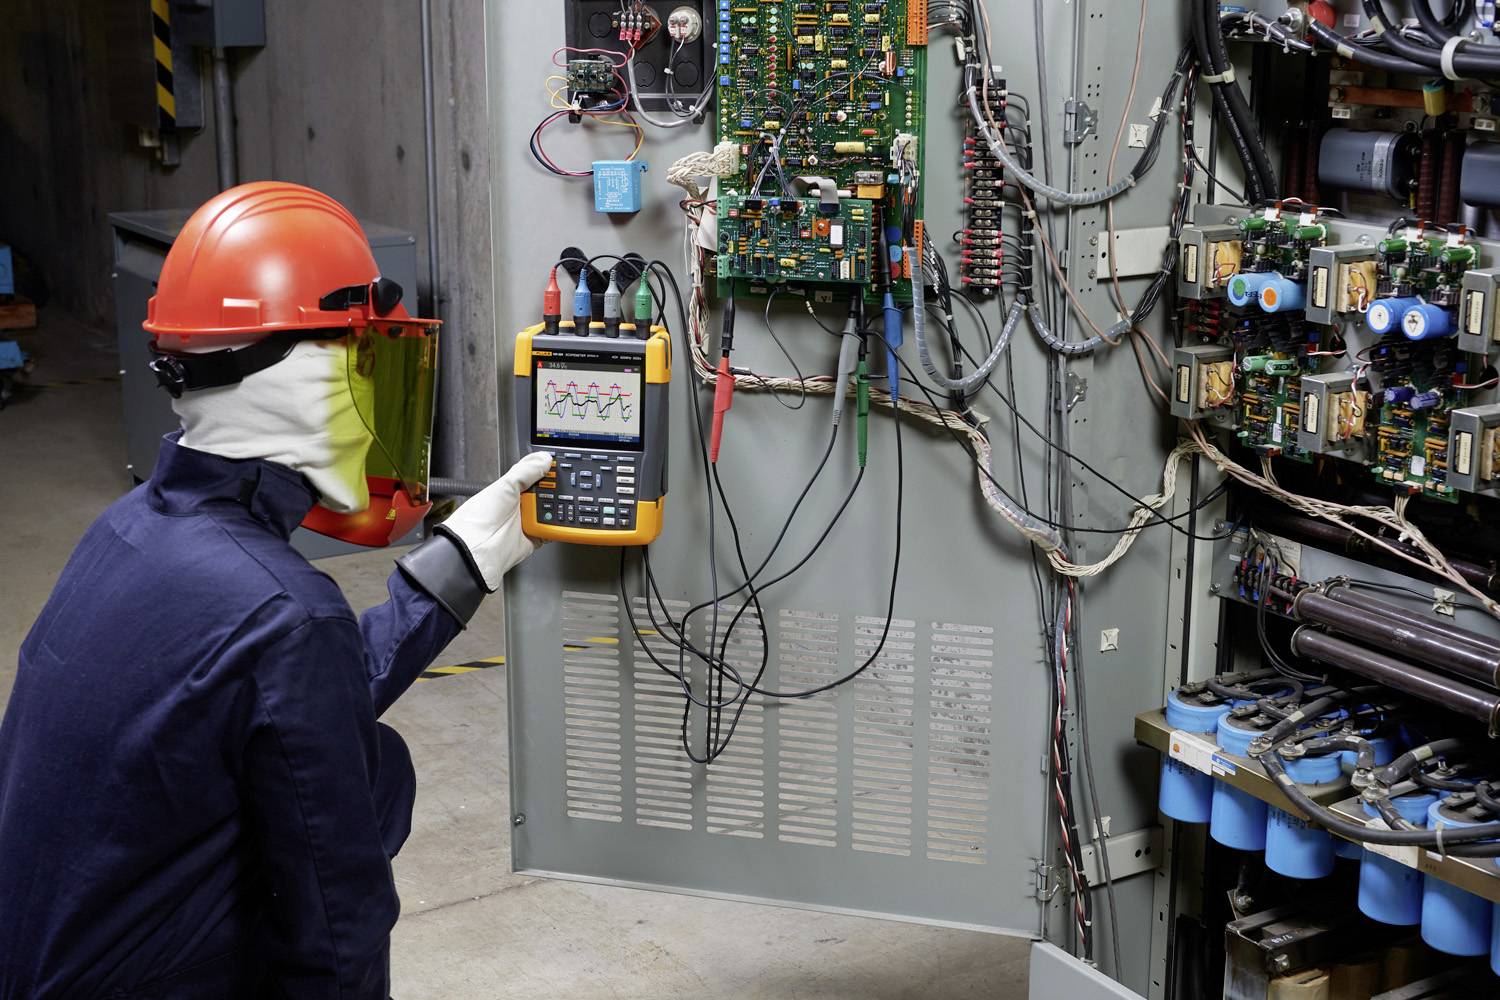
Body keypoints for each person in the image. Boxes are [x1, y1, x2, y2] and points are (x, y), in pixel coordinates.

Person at [0, 182, 550, 998]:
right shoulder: (283, 611)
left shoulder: (127, 534)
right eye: (364, 362)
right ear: (299, 380)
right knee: (376, 782)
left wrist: (456, 564)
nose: (373, 395)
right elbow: (337, 929)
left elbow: (282, 701)